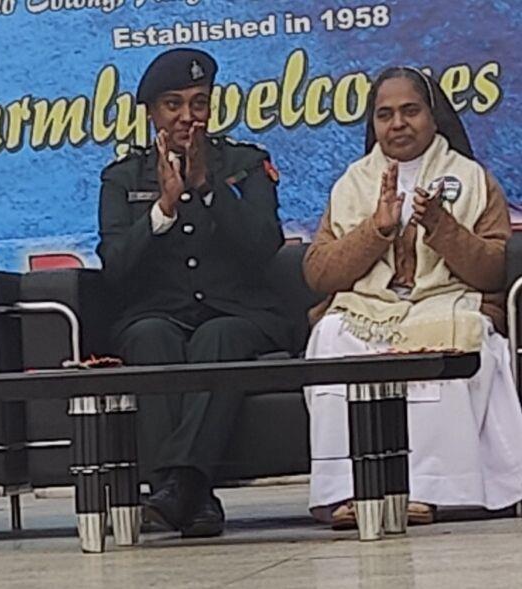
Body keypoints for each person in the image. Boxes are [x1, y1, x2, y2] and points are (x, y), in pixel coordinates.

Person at [303, 66, 522, 528]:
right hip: (370, 310)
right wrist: (376, 229)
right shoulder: (352, 183)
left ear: (433, 116)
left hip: (447, 302)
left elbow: (493, 271)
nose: (398, 123)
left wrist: (442, 227)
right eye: (385, 114)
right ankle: (350, 491)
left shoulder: (472, 179)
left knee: (462, 333)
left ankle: (430, 489)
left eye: (410, 111)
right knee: (330, 334)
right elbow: (319, 273)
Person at [97, 48, 295, 538]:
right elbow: (114, 266)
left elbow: (263, 245)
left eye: (199, 103)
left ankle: (177, 487)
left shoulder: (246, 164)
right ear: (151, 113)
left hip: (238, 312)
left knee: (218, 337)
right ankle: (195, 497)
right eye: (174, 105)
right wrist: (161, 211)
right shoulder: (123, 177)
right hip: (157, 312)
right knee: (150, 337)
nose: (188, 116)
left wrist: (208, 188)